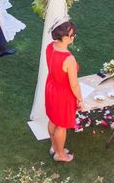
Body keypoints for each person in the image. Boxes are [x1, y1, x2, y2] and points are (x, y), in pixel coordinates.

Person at [45, 21, 82, 163]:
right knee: (61, 125)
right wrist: (80, 99)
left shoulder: (50, 47)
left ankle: (54, 147)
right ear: (65, 37)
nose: (73, 38)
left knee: (52, 120)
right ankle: (60, 155)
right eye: (72, 35)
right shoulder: (69, 59)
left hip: (51, 87)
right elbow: (74, 84)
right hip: (63, 94)